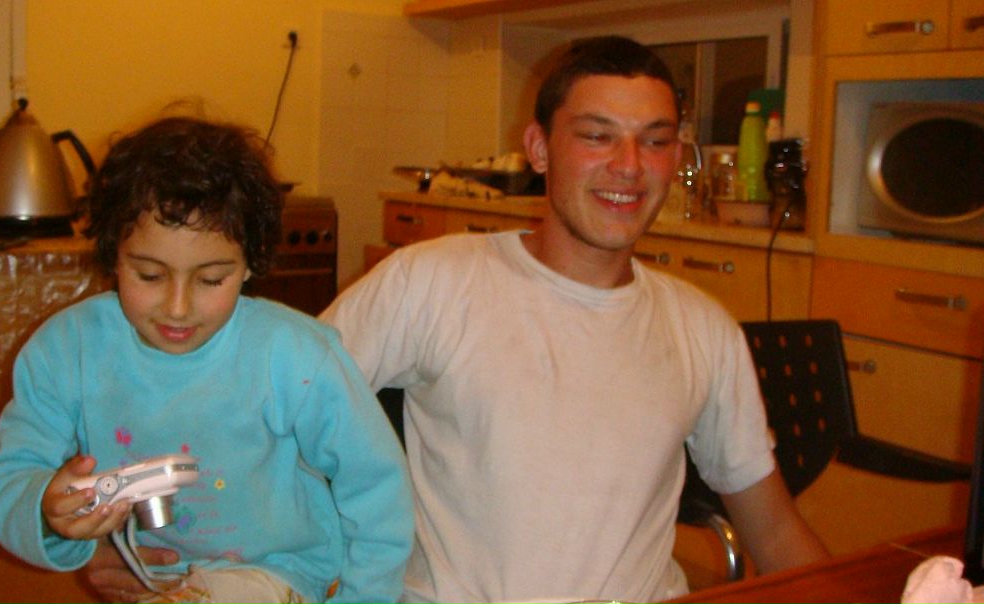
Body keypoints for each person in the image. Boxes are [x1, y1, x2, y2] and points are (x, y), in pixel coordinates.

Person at [85, 36, 830, 603]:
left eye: (656, 140)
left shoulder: (703, 328)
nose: (630, 165)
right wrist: (136, 531)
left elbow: (770, 528)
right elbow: (252, 413)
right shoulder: (434, 281)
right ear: (539, 148)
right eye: (598, 135)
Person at [0, 116, 414, 604]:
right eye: (149, 275)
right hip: (151, 583)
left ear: (249, 264)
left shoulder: (295, 356)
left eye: (210, 280)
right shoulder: (66, 351)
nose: (178, 308)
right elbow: (7, 480)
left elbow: (377, 486)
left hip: (278, 574)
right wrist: (44, 510)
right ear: (113, 254)